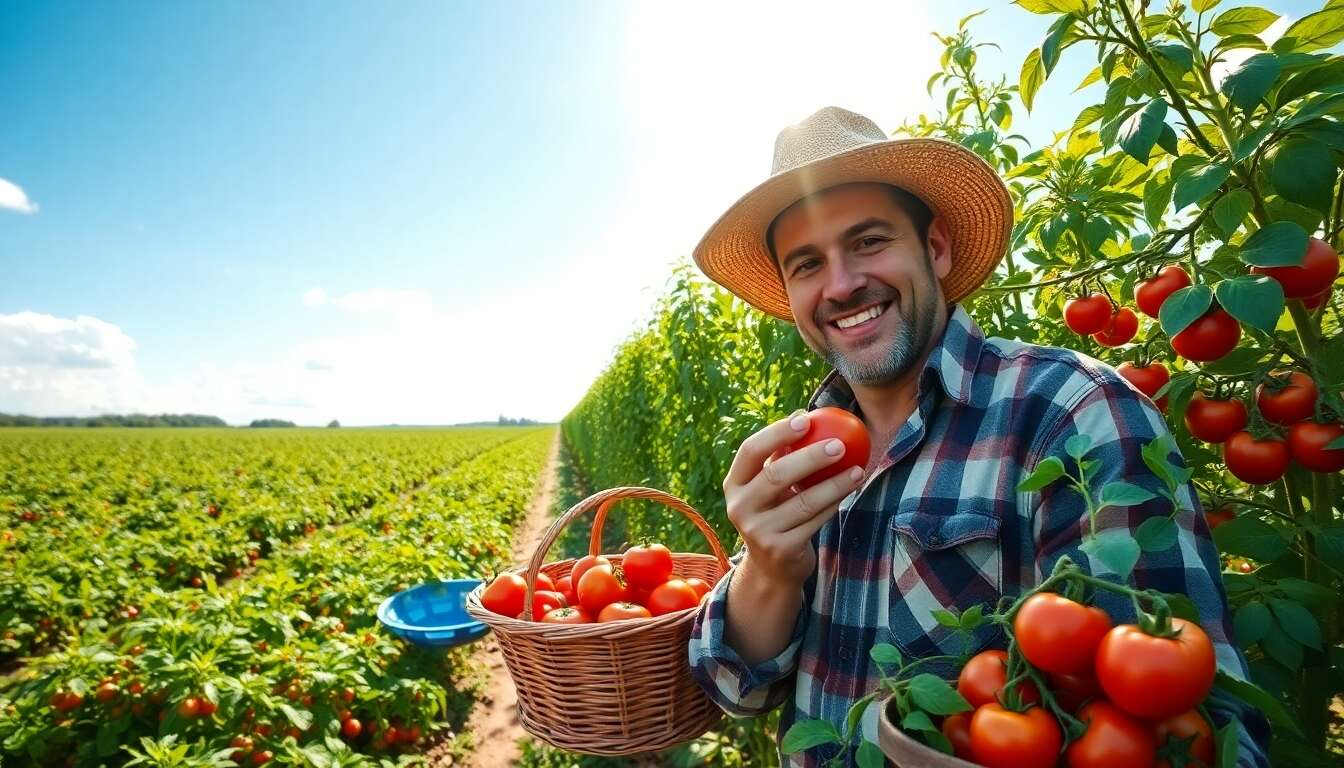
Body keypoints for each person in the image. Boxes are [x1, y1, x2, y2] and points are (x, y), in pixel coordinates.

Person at [685, 106, 1269, 767]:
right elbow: (736, 687)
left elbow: (1196, 735)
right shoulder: (803, 451)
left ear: (935, 248)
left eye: (869, 241)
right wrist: (768, 571)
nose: (842, 285)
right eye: (807, 264)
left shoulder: (1074, 413)